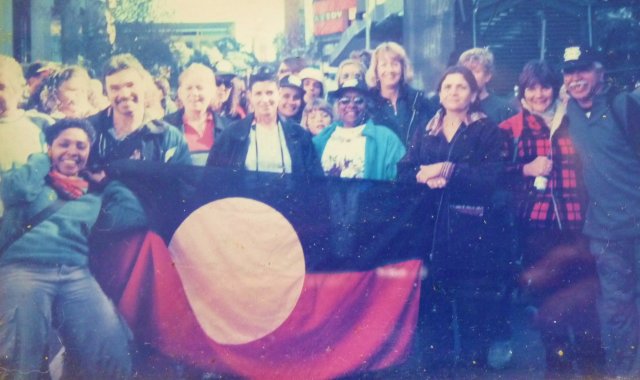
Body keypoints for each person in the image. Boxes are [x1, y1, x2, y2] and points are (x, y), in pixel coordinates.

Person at [0, 118, 147, 379]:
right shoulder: (31, 182)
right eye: (63, 144)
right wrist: (41, 160)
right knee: (22, 358)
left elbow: (133, 215)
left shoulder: (93, 196)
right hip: (23, 269)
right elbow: (14, 190)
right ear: (49, 148)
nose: (72, 151)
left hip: (75, 274)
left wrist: (108, 183)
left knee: (111, 349)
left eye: (80, 146)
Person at [399, 65, 509, 372]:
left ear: (473, 94)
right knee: (434, 304)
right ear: (440, 92)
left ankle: (473, 367)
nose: (453, 92)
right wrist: (423, 175)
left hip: (473, 231)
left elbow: (492, 177)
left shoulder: (487, 130)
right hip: (430, 231)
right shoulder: (426, 128)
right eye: (447, 87)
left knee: (472, 304)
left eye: (461, 87)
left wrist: (449, 170)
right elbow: (404, 171)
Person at [500, 60, 604, 378]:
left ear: (554, 88)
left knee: (584, 299)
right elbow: (497, 174)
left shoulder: (573, 120)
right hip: (537, 229)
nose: (539, 94)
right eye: (532, 87)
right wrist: (525, 169)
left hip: (576, 224)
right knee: (549, 302)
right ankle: (557, 368)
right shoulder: (511, 128)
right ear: (523, 91)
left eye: (545, 86)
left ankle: (592, 368)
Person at [561, 44, 640, 378]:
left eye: (583, 70)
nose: (576, 78)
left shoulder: (625, 106)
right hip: (606, 234)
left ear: (601, 74)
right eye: (569, 72)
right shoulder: (570, 113)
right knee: (618, 312)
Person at [206, 66, 321, 177]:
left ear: (279, 94)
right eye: (258, 93)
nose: (265, 100)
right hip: (245, 197)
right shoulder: (232, 134)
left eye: (269, 93)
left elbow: (314, 180)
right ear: (250, 96)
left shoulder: (299, 135)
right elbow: (214, 177)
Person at [86, 53, 191, 174]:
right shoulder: (89, 133)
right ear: (106, 92)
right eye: (115, 88)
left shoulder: (169, 138)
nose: (124, 94)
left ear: (143, 85)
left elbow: (184, 187)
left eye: (130, 85)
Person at [313, 78, 405, 181]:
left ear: (367, 105)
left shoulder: (386, 138)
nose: (351, 105)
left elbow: (400, 179)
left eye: (358, 101)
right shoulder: (320, 139)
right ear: (338, 105)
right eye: (345, 101)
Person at [366, 42, 434, 147]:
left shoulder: (419, 101)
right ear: (376, 70)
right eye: (384, 65)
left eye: (395, 64)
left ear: (403, 69)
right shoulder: (367, 105)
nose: (390, 70)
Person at [164, 63, 227, 166]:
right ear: (180, 93)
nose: (194, 93)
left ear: (212, 92)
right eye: (189, 88)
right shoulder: (166, 126)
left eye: (199, 88)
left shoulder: (228, 128)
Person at [458, 47, 516, 124]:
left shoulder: (504, 110)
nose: (470, 76)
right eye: (466, 71)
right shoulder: (453, 106)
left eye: (476, 71)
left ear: (487, 76)